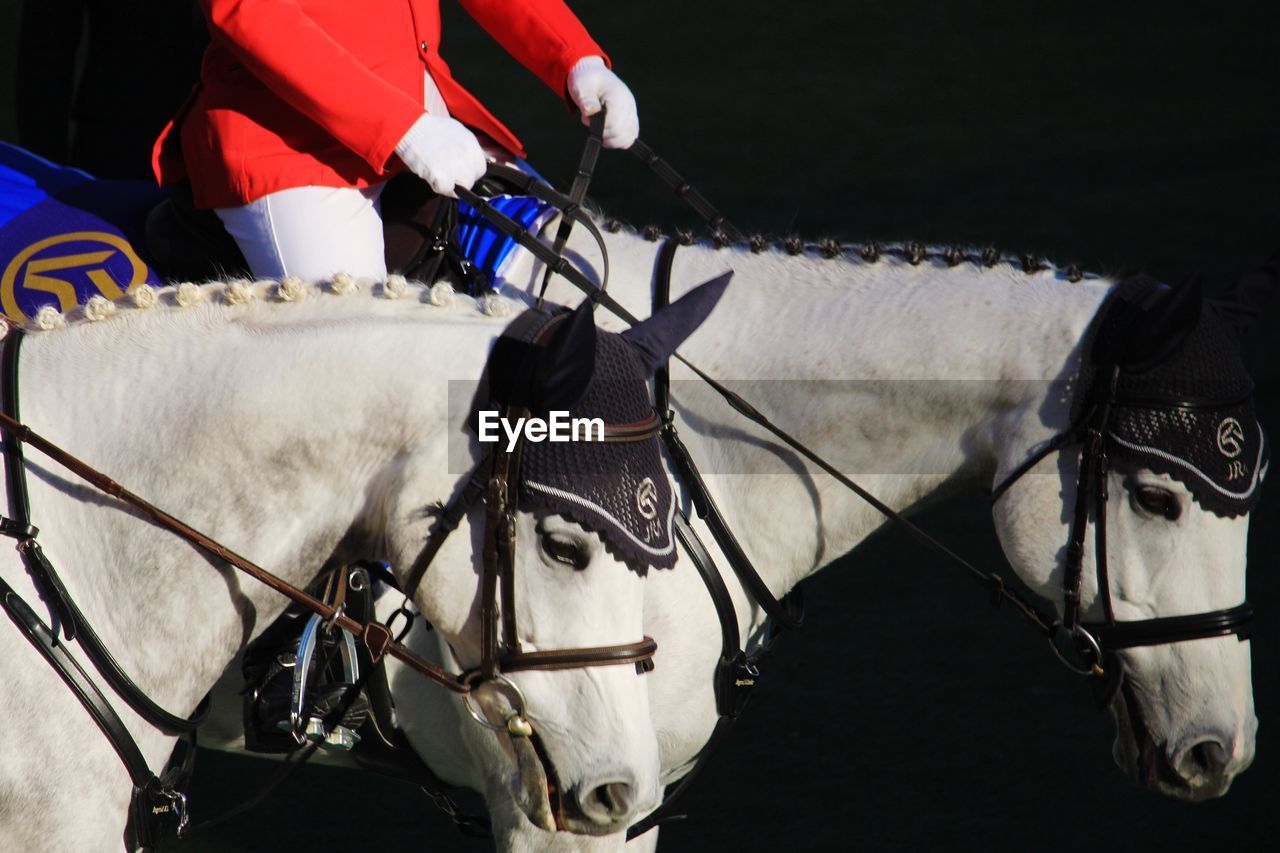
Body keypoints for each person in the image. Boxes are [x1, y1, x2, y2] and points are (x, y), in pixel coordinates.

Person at [151, 0, 639, 282]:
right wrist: (401, 128)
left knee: (566, 282)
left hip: (427, 115)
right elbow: (251, 12)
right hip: (288, 145)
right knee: (361, 364)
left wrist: (575, 58)